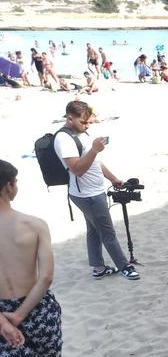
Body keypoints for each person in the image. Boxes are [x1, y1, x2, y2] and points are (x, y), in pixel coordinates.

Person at [0, 160, 75, 357]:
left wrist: (6, 322)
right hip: (36, 306)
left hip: (2, 315)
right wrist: (20, 315)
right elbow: (45, 276)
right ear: (9, 186)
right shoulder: (33, 224)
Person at [54, 101, 140, 281]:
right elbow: (77, 169)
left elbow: (95, 163)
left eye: (89, 122)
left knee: (94, 230)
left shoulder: (82, 133)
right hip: (87, 195)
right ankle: (124, 267)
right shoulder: (64, 139)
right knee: (107, 233)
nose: (86, 126)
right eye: (82, 122)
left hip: (94, 192)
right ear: (70, 118)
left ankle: (98, 268)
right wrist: (94, 149)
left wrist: (113, 179)